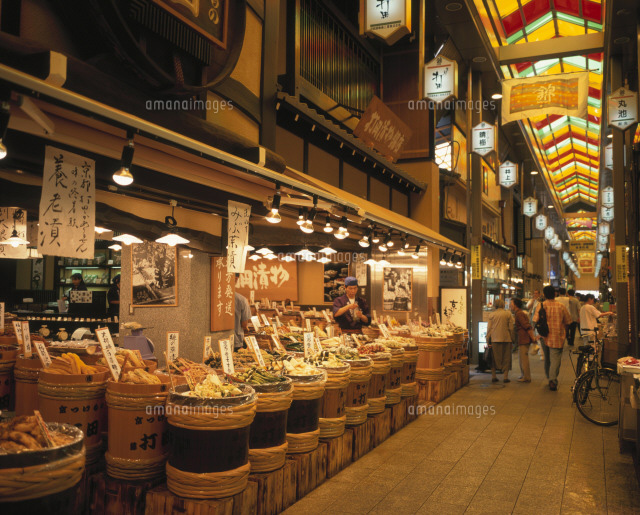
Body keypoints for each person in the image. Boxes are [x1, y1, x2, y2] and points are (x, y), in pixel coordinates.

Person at [533, 285, 571, 391]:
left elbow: (535, 320)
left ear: (544, 295)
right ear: (555, 294)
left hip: (544, 336)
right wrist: (566, 333)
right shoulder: (561, 306)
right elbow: (568, 321)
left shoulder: (541, 305)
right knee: (555, 359)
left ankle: (550, 377)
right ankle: (552, 379)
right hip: (558, 336)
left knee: (547, 359)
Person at [486, 298, 514, 383]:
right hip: (506, 338)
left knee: (494, 358)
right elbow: (511, 328)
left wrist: (487, 339)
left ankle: (494, 376)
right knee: (506, 358)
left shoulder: (492, 315)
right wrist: (512, 339)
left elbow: (489, 328)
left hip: (495, 339)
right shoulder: (508, 314)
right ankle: (505, 377)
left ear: (495, 305)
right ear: (503, 305)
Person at [511, 298, 535, 383]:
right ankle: (523, 375)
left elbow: (526, 326)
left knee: (523, 358)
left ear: (515, 305)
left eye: (511, 303)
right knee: (521, 358)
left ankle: (526, 377)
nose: (510, 305)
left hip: (523, 338)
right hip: (522, 338)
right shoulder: (519, 313)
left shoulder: (519, 314)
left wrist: (533, 338)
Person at [526, 289, 544, 360]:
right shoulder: (534, 301)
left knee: (539, 338)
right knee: (537, 338)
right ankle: (540, 353)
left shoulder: (540, 302)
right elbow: (528, 307)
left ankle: (541, 354)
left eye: (536, 293)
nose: (535, 295)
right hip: (534, 322)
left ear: (539, 294)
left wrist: (534, 324)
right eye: (534, 293)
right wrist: (532, 300)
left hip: (538, 322)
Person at [234, 283, 252, 350]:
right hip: (236, 339)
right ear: (236, 279)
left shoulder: (216, 297)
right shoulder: (241, 299)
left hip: (217, 340)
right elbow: (244, 324)